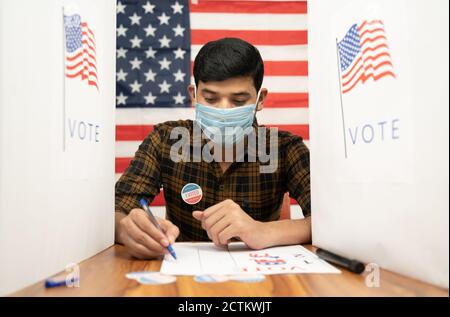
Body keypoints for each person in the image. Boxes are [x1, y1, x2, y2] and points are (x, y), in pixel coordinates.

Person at [115, 38, 311, 259]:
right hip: (184, 277)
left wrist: (263, 231)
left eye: (238, 100)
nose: (224, 110)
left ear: (260, 99)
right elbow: (118, 209)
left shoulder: (285, 148)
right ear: (194, 95)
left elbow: (328, 221)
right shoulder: (164, 140)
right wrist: (126, 229)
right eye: (210, 98)